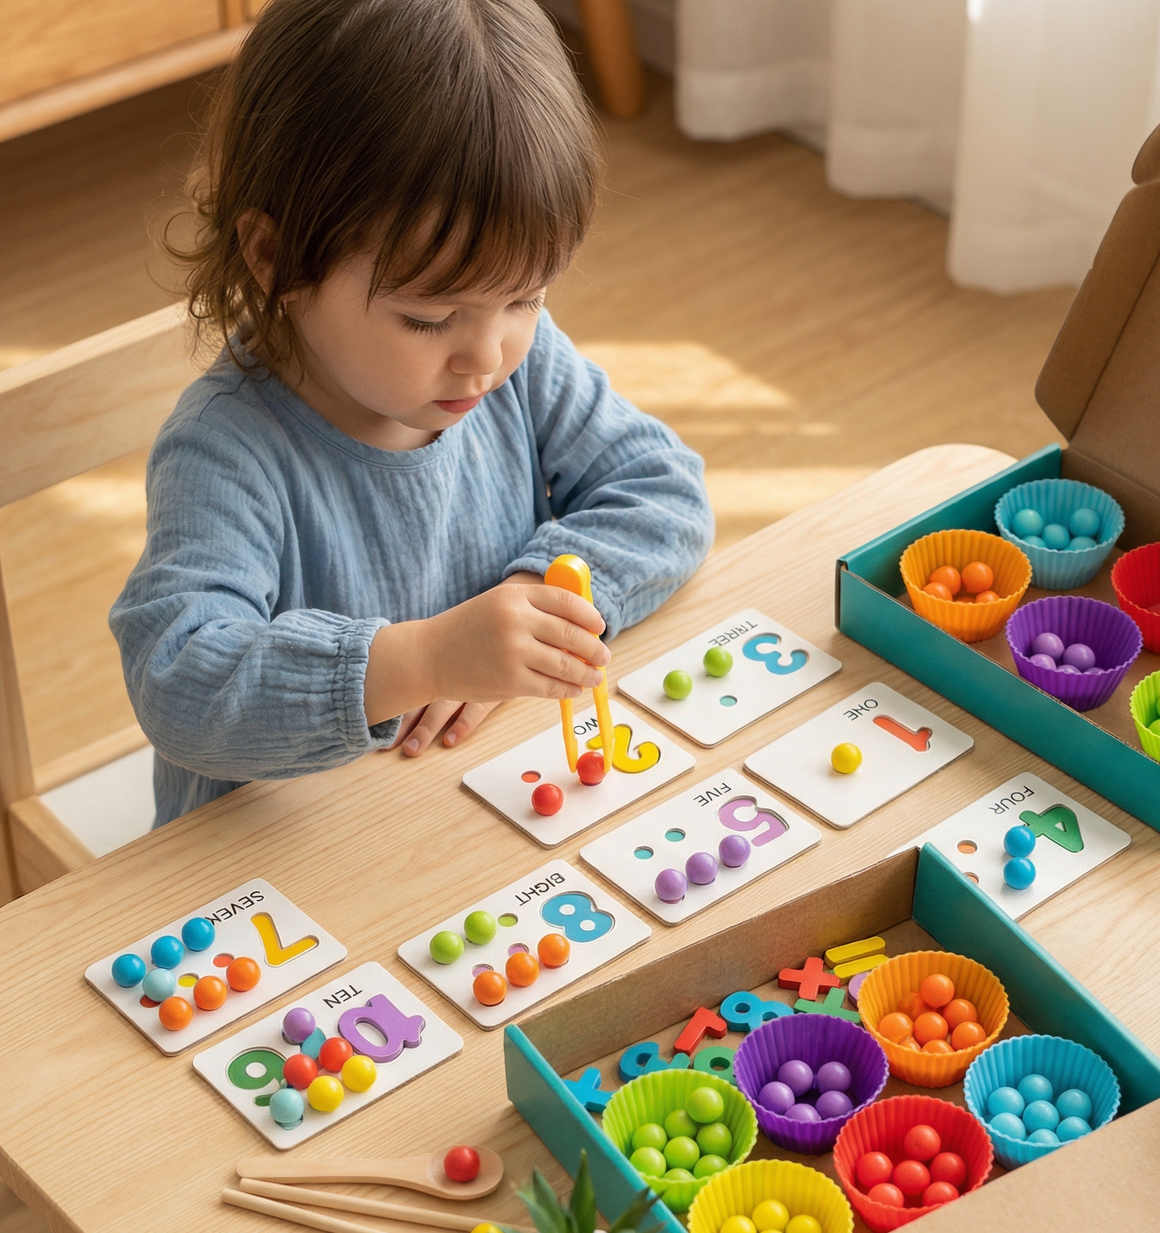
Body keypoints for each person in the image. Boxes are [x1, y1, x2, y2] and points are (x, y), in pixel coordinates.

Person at [111, 0, 713, 826]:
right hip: (274, 864)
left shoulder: (516, 361)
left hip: (458, 810)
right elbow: (177, 681)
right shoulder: (225, 450)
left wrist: (533, 610)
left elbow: (664, 489)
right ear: (274, 259)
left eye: (525, 298)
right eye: (429, 318)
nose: (486, 356)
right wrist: (425, 658)